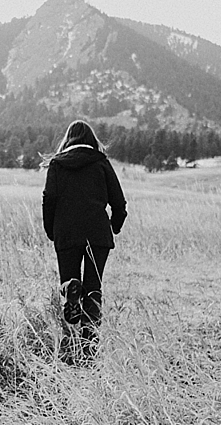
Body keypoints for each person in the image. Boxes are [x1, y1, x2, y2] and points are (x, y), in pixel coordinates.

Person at [41, 120, 127, 364]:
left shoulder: (57, 164)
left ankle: (70, 344)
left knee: (68, 283)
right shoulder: (101, 163)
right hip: (97, 234)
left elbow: (49, 200)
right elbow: (119, 202)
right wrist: (114, 227)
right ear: (92, 140)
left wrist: (51, 231)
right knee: (94, 289)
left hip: (66, 233)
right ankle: (90, 348)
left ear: (67, 139)